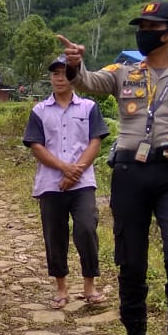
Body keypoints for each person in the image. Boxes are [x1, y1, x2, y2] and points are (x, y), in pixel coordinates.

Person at [58, 0, 168, 335]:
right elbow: (87, 82)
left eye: (152, 27)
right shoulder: (123, 73)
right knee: (131, 260)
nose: (144, 33)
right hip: (129, 174)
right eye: (141, 27)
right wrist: (75, 63)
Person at [23, 55, 109, 309]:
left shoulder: (89, 107)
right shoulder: (39, 111)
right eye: (55, 73)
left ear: (75, 77)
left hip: (83, 184)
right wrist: (64, 169)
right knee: (54, 235)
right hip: (50, 184)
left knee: (86, 229)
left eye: (65, 73)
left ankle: (89, 285)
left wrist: (75, 173)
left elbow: (95, 141)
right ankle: (61, 288)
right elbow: (36, 146)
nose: (60, 78)